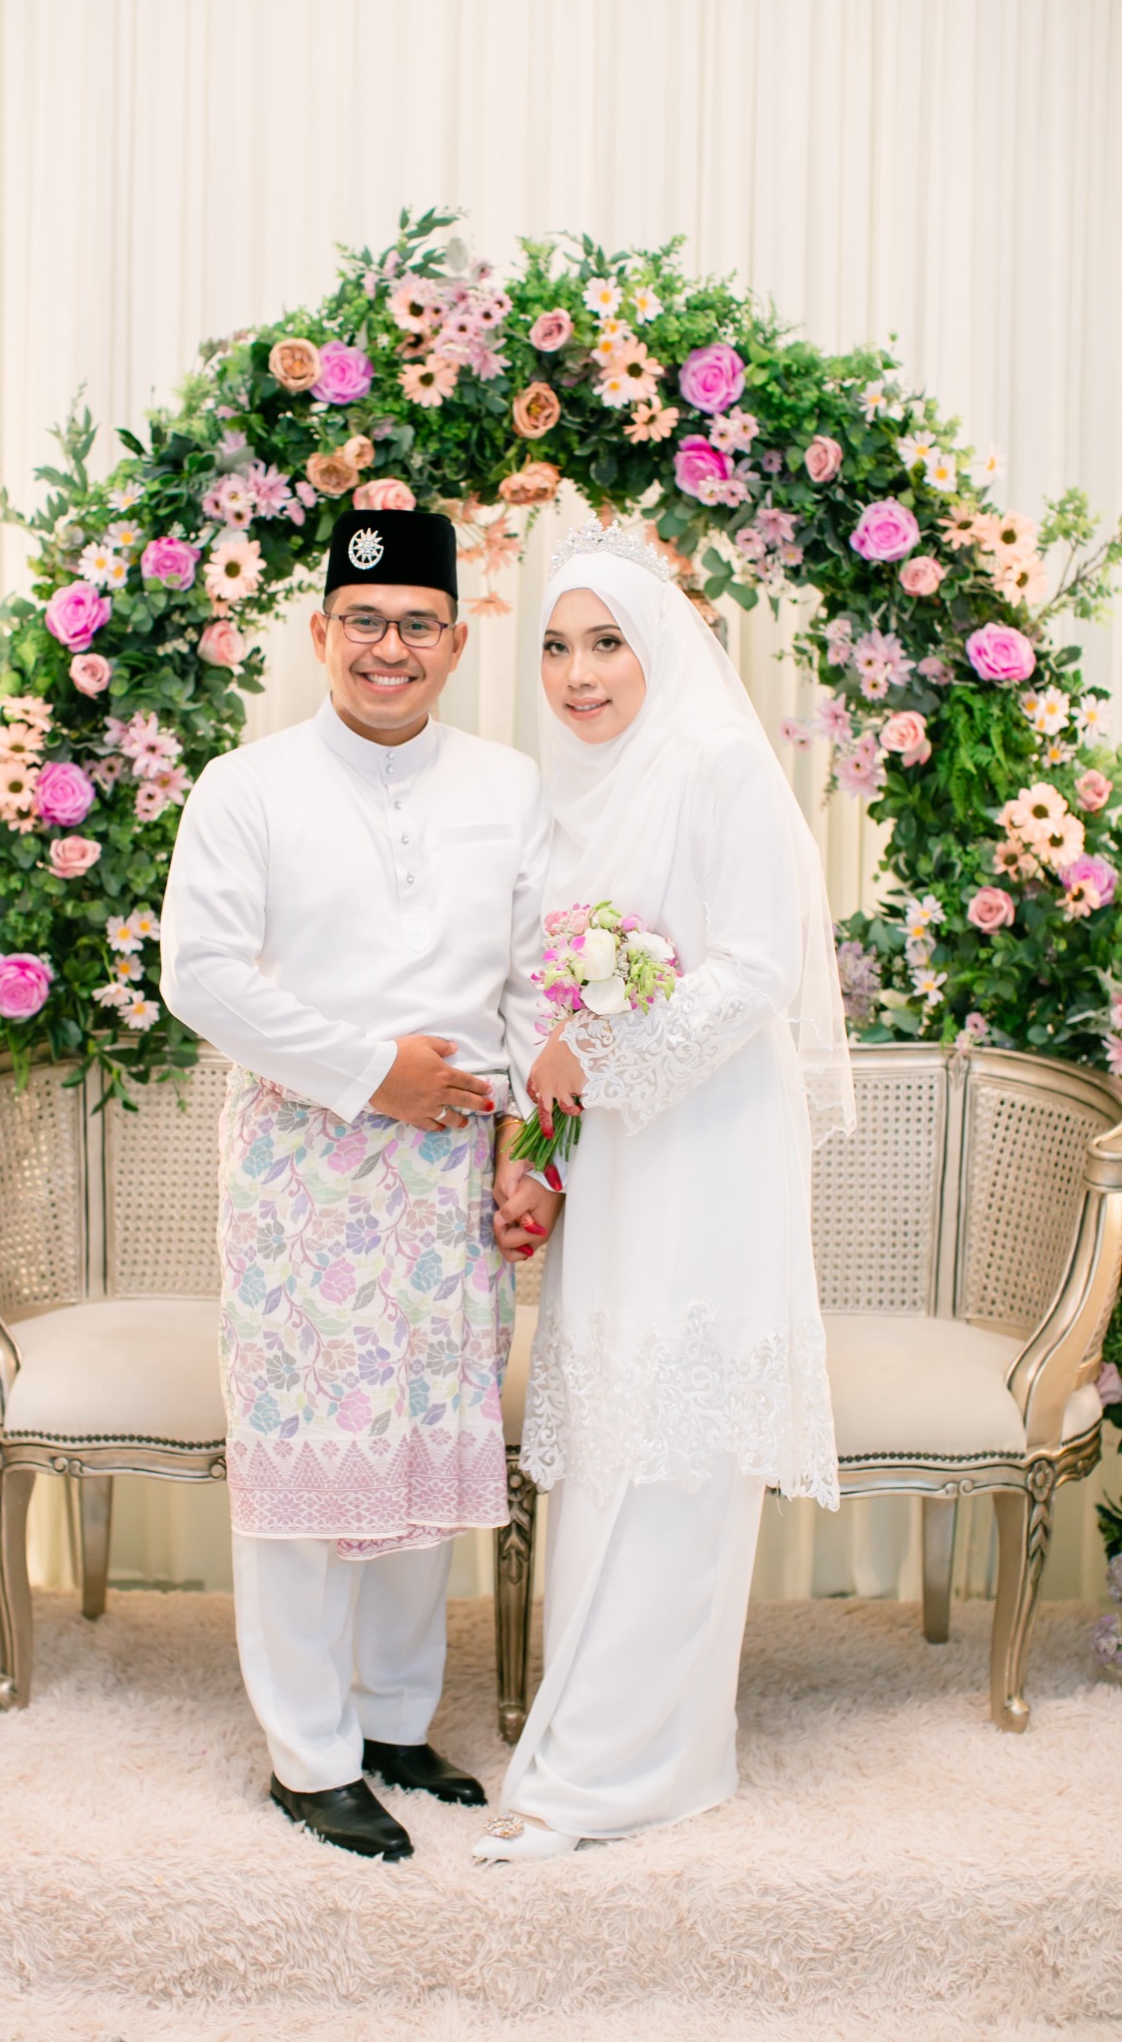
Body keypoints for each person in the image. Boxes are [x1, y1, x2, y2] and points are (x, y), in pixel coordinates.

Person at [161, 507, 549, 1863]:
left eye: (418, 625)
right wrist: (375, 1072)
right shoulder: (245, 788)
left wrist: (527, 1147)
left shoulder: (511, 788)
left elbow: (536, 983)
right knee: (305, 1464)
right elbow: (203, 977)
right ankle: (308, 1757)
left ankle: (392, 1723)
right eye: (365, 622)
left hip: (452, 1172)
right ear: (320, 632)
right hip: (303, 1174)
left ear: (457, 640)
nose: (391, 648)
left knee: (425, 1449)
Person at [474, 518, 854, 1864]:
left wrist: (599, 1058)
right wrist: (542, 1122)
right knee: (609, 1428)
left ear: (660, 649)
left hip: (708, 1147)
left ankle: (621, 1772)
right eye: (556, 647)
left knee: (674, 1442)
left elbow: (754, 971)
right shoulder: (567, 791)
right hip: (616, 1154)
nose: (578, 675)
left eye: (607, 644)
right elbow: (542, 995)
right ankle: (614, 1744)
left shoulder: (716, 766)